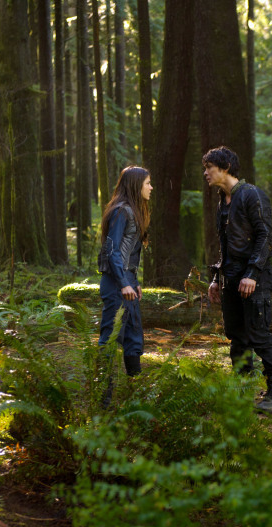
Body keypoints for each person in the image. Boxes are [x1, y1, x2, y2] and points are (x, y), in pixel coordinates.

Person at [204, 146, 272, 412]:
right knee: (237, 335)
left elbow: (266, 238)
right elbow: (225, 244)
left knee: (258, 334)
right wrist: (216, 278)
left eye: (209, 168)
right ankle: (242, 391)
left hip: (254, 279)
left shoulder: (252, 195)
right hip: (230, 278)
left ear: (225, 167)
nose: (205, 173)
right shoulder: (222, 199)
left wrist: (252, 274)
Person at [97, 166, 153, 406]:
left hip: (127, 281)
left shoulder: (133, 212)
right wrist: (123, 283)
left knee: (132, 336)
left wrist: (134, 282)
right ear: (135, 185)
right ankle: (102, 399)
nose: (151, 187)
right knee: (110, 338)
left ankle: (135, 397)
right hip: (115, 282)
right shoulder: (121, 211)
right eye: (148, 183)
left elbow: (130, 254)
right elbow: (112, 251)